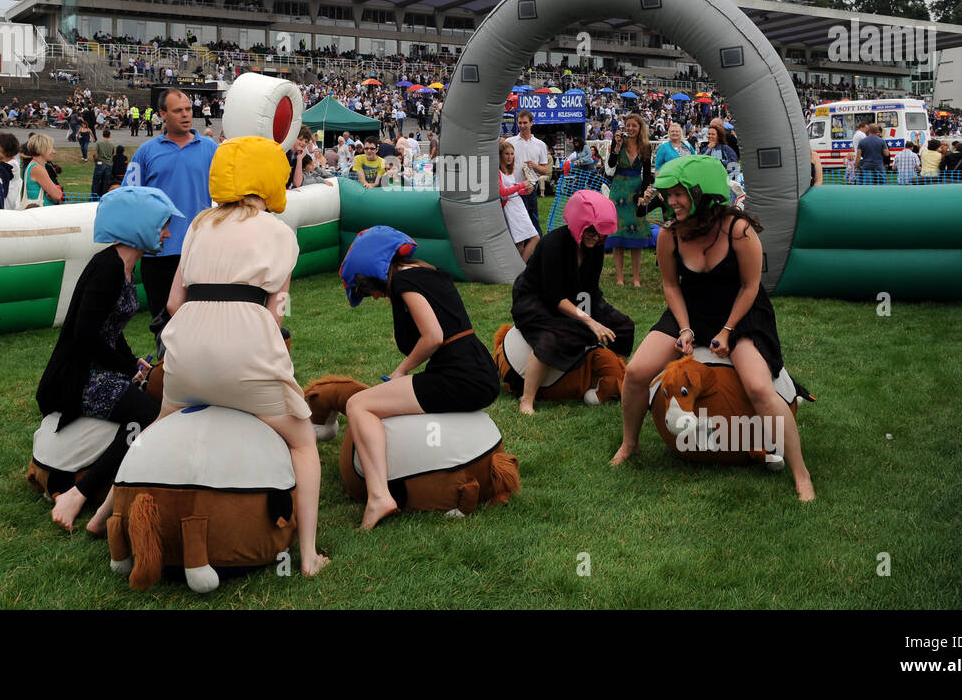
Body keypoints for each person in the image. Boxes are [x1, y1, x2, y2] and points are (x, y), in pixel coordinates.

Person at [158, 136, 328, 575]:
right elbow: (277, 312)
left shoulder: (198, 224)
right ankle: (308, 555)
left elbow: (174, 303)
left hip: (186, 347)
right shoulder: (279, 232)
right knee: (304, 441)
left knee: (154, 431)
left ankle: (103, 512)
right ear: (271, 178)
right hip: (246, 348)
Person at [610, 155, 814, 501]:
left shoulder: (739, 230)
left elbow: (750, 287)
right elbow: (671, 286)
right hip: (691, 310)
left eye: (679, 193)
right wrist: (686, 329)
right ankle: (630, 443)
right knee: (636, 371)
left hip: (741, 312)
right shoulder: (670, 235)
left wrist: (727, 331)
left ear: (703, 193)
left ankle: (801, 473)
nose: (671, 202)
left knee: (759, 389)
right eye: (668, 194)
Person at [39, 187, 183, 533]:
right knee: (148, 415)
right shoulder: (108, 269)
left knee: (148, 397)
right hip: (77, 376)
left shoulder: (124, 267)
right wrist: (124, 369)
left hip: (95, 366)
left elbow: (109, 330)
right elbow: (85, 334)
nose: (166, 233)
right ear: (140, 225)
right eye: (161, 225)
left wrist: (133, 362)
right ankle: (78, 493)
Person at [339, 225, 500, 526]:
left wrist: (401, 371)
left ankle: (379, 497)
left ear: (373, 270)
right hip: (479, 370)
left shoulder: (402, 281)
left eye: (365, 288)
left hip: (459, 375)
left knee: (358, 405)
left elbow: (433, 336)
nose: (372, 297)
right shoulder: (429, 272)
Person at [510, 190, 635, 414]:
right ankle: (527, 399)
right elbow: (553, 296)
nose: (596, 238)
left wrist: (596, 316)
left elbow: (589, 290)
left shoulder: (594, 248)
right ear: (579, 223)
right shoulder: (553, 244)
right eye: (592, 231)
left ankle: (616, 376)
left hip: (577, 299)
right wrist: (589, 321)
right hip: (537, 301)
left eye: (601, 234)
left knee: (623, 325)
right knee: (554, 336)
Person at [125, 87, 219, 320]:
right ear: (162, 114)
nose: (186, 114)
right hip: (158, 254)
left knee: (201, 320)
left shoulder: (211, 148)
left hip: (200, 250)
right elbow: (129, 197)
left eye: (188, 109)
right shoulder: (145, 152)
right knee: (163, 323)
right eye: (178, 110)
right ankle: (164, 358)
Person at [605, 114, 656, 287]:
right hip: (618, 191)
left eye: (634, 126)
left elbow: (648, 174)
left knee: (637, 235)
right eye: (628, 125)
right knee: (617, 234)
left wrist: (643, 194)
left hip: (636, 191)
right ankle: (619, 277)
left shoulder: (646, 147)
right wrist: (617, 147)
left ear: (640, 127)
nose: (631, 129)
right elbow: (611, 165)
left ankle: (636, 277)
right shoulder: (618, 142)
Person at [507, 111, 551, 234]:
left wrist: (534, 166)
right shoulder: (510, 142)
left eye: (525, 123)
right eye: (520, 123)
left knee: (533, 221)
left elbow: (545, 170)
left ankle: (537, 248)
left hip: (530, 188)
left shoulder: (540, 144)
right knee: (515, 223)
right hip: (514, 188)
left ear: (531, 123)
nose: (522, 126)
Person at [498, 139, 539, 261]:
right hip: (510, 208)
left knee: (521, 242)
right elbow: (502, 193)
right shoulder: (498, 171)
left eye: (512, 154)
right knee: (533, 238)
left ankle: (519, 269)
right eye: (506, 154)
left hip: (517, 204)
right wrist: (521, 185)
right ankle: (522, 268)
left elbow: (512, 190)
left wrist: (524, 190)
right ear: (501, 155)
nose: (510, 157)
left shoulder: (510, 170)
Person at [20, 133, 65, 207]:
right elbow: (57, 195)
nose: (54, 151)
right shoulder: (38, 168)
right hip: (40, 212)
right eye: (50, 148)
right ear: (41, 149)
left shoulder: (33, 164)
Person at [92, 129, 115, 197]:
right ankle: (103, 196)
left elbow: (95, 154)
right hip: (109, 164)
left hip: (100, 163)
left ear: (102, 134)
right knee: (106, 182)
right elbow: (113, 154)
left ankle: (94, 197)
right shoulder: (112, 143)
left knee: (96, 181)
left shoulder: (98, 142)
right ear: (109, 135)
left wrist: (96, 161)